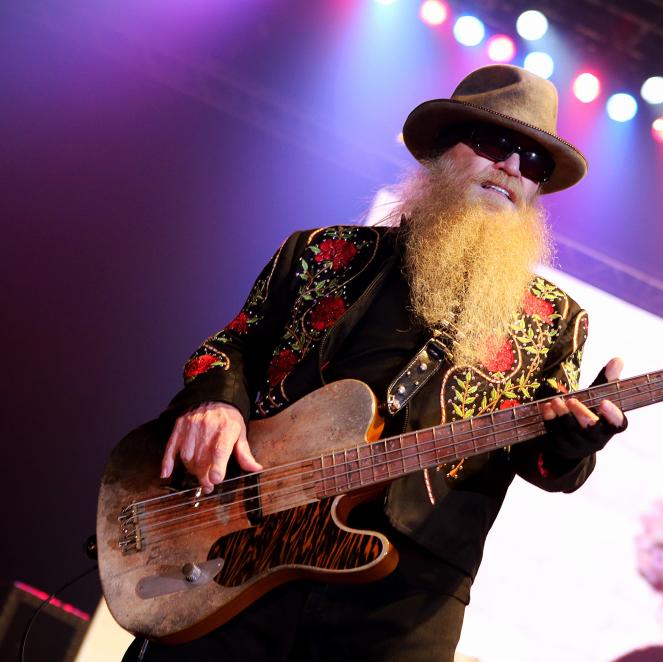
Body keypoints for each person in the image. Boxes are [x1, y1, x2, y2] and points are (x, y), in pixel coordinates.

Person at [124, 64, 628, 661]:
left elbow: (546, 463)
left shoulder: (555, 319)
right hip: (245, 543)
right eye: (497, 144)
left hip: (407, 599)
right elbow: (229, 345)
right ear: (442, 149)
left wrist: (575, 441)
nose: (514, 168)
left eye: (534, 162)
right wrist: (216, 403)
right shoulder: (320, 253)